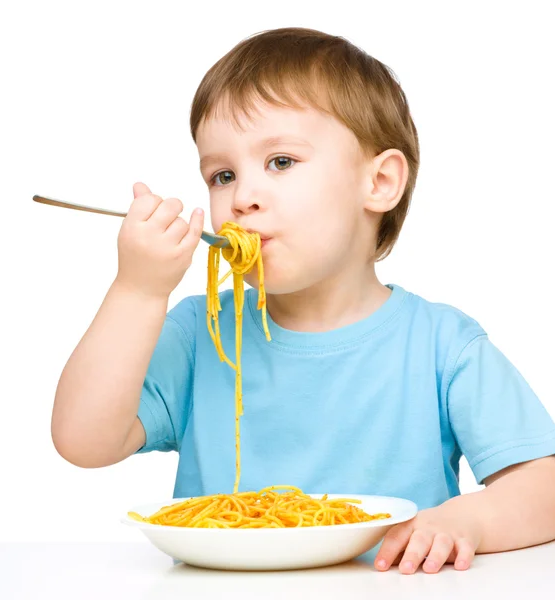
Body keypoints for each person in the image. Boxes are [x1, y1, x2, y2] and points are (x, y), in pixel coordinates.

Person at [51, 27, 555, 574]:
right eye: (222, 175)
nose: (242, 198)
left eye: (281, 162)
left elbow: (544, 487)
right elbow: (83, 441)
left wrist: (469, 521)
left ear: (380, 182)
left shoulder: (442, 345)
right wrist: (138, 289)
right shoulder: (202, 331)